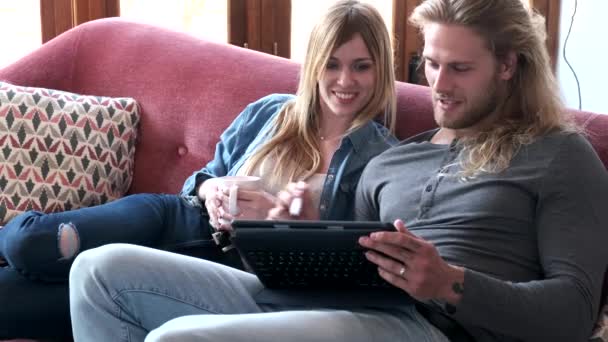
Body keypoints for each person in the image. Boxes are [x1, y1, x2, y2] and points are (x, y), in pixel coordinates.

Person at [68, 0, 608, 341]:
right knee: (99, 271)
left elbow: (576, 313)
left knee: (182, 338)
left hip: (428, 327)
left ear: (510, 66)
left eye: (461, 69)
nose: (439, 85)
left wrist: (449, 283)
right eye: (433, 63)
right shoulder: (397, 158)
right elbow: (347, 252)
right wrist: (292, 229)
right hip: (341, 302)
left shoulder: (559, 154)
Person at [0, 0, 397, 339]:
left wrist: (283, 230)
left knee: (16, 300)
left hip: (215, 271)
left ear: (380, 69)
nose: (346, 80)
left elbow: (346, 273)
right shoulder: (271, 111)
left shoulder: (381, 160)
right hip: (172, 218)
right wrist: (215, 191)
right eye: (332, 64)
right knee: (29, 243)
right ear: (314, 65)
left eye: (361, 66)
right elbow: (200, 182)